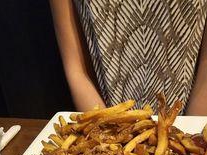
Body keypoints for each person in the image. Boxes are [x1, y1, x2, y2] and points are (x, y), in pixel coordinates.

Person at [49, 0, 207, 114]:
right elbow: (77, 70)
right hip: (105, 120)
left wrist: (191, 138)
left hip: (186, 118)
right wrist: (107, 142)